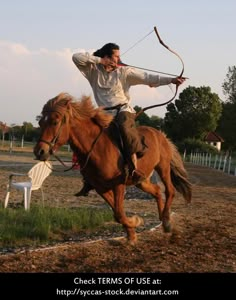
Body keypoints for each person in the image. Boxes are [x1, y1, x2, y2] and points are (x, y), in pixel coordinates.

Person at [72, 43, 185, 196]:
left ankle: (134, 168)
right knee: (85, 135)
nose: (119, 59)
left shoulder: (124, 72)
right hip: (103, 114)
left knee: (124, 127)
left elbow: (147, 77)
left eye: (119, 56)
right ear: (106, 57)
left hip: (123, 110)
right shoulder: (93, 70)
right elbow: (76, 57)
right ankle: (88, 179)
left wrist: (171, 80)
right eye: (116, 56)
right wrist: (100, 62)